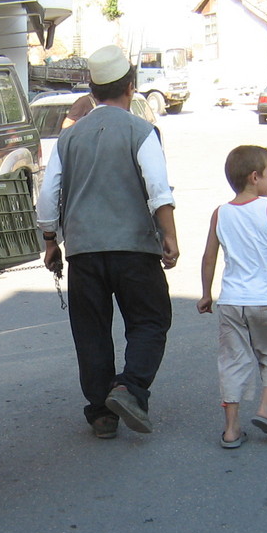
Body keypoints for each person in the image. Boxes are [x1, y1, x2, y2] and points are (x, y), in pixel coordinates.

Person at [36, 44, 179, 440]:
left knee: (92, 331)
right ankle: (130, 388)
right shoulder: (141, 131)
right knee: (151, 320)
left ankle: (101, 414)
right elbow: (158, 188)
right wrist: (169, 235)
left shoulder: (68, 138)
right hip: (134, 248)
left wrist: (51, 241)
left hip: (84, 252)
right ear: (131, 87)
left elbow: (48, 197)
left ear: (92, 91)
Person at [197, 145, 267, 448]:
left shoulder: (220, 213)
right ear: (255, 177)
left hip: (231, 301)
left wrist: (206, 294)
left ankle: (231, 429)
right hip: (265, 300)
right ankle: (266, 410)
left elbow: (209, 257)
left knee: (232, 360)